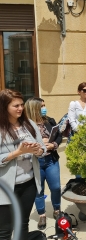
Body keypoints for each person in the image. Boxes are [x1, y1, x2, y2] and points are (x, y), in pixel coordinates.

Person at [0, 89, 46, 240]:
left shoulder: (29, 124)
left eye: (21, 104)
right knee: (5, 231)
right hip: (6, 189)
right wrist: (17, 152)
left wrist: (37, 150)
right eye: (15, 106)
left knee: (22, 225)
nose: (20, 108)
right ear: (4, 106)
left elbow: (43, 149)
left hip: (29, 184)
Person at [24, 98, 62, 230]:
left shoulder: (50, 120)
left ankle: (57, 210)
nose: (44, 108)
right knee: (38, 190)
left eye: (44, 105)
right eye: (41, 106)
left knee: (56, 187)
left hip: (51, 159)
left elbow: (59, 136)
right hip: (35, 162)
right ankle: (42, 215)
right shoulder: (25, 125)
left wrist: (52, 144)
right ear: (34, 108)